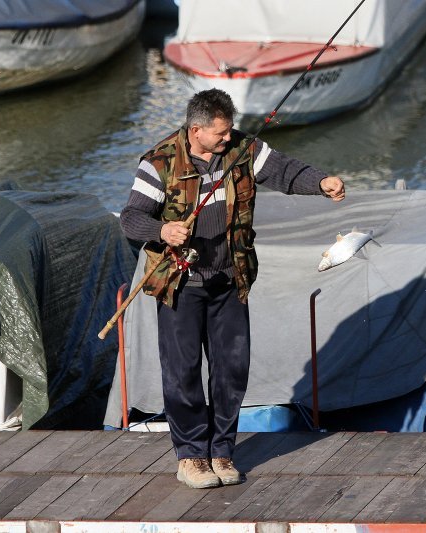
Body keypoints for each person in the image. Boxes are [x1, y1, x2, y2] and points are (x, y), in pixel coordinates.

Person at [120, 88, 345, 489]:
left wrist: (321, 181)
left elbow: (284, 171)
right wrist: (162, 230)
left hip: (230, 279)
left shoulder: (243, 149)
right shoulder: (158, 164)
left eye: (230, 131)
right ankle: (191, 456)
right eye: (221, 133)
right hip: (181, 283)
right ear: (196, 131)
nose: (229, 138)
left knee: (231, 370)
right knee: (183, 372)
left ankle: (222, 451)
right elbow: (131, 218)